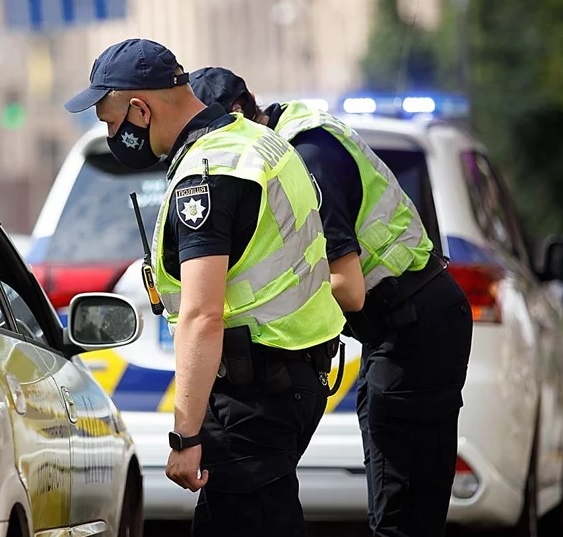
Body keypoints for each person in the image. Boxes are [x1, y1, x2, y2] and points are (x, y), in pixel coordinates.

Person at [64, 38, 346, 536]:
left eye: (110, 122)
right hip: (290, 377)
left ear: (139, 109)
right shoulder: (253, 142)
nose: (112, 134)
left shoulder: (208, 176)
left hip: (255, 392)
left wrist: (185, 436)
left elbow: (201, 314)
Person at [189, 66, 474, 537]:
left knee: (402, 513)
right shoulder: (283, 145)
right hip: (401, 327)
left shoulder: (303, 158)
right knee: (398, 495)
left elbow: (349, 287)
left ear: (239, 114)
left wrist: (262, 318)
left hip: (416, 325)